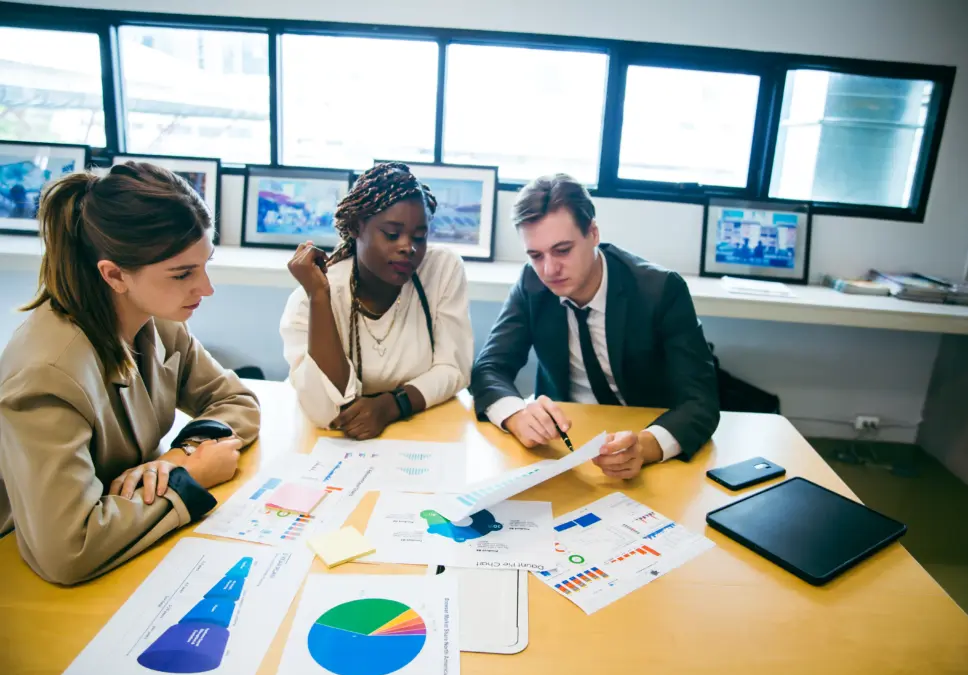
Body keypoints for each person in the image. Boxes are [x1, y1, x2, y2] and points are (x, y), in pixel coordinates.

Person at [0, 162, 260, 585]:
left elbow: (236, 401)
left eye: (204, 264)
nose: (206, 288)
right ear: (114, 274)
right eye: (183, 273)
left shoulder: (157, 319)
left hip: (126, 539)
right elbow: (67, 550)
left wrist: (181, 454)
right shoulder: (45, 374)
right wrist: (190, 477)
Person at [471, 173, 720, 479]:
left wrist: (646, 447)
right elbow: (490, 367)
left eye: (563, 250)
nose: (549, 269)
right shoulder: (532, 284)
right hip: (565, 445)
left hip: (644, 441)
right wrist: (515, 415)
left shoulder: (660, 290)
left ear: (593, 233)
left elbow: (701, 401)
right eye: (535, 255)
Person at [280, 162, 472, 438]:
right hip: (335, 444)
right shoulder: (310, 299)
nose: (408, 247)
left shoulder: (441, 269)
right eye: (392, 234)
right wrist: (319, 298)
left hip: (424, 430)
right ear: (356, 227)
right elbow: (325, 412)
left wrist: (393, 405)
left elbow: (454, 369)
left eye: (419, 236)